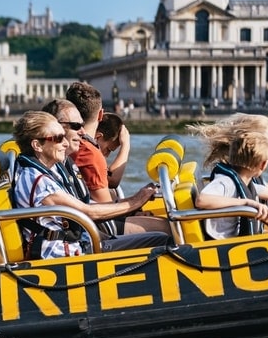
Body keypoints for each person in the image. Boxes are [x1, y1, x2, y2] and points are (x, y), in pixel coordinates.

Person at [11, 111, 171, 259]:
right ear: (37, 145)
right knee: (163, 240)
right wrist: (137, 201)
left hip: (79, 243)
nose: (65, 144)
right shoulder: (39, 181)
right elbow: (87, 212)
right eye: (58, 138)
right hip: (62, 256)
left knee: (159, 237)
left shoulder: (47, 168)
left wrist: (133, 202)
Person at [41, 98, 168, 237]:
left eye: (82, 125)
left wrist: (135, 204)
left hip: (93, 229)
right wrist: (135, 202)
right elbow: (91, 210)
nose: (83, 132)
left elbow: (89, 205)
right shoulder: (45, 175)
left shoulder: (65, 164)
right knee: (168, 229)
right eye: (77, 126)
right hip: (93, 234)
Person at [190, 113, 268, 239]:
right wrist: (246, 203)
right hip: (222, 244)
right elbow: (202, 200)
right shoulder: (227, 182)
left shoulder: (246, 180)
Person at [95, 112, 128, 190]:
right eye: (108, 150)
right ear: (98, 137)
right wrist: (126, 145)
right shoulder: (86, 153)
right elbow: (112, 180)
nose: (107, 155)